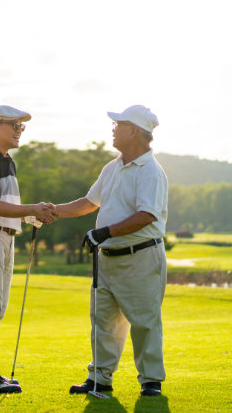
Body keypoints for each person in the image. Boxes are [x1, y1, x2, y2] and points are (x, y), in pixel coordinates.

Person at [55, 105, 168, 397]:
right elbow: (89, 202)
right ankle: (99, 378)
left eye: (119, 124)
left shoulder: (150, 171)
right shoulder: (113, 166)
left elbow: (147, 215)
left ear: (134, 131)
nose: (114, 128)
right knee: (103, 321)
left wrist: (104, 232)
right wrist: (51, 210)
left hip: (140, 256)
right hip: (107, 258)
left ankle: (151, 380)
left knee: (144, 321)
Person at [0, 105, 57, 394]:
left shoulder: (7, 161)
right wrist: (33, 208)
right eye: (14, 124)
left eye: (21, 126)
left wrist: (30, 216)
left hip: (4, 236)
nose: (19, 130)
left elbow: (6, 207)